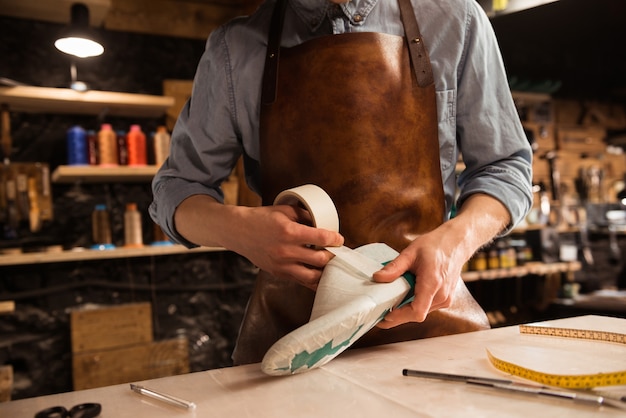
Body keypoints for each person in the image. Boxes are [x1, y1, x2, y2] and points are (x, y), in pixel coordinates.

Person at [150, 0, 533, 365]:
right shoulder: (234, 48)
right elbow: (175, 189)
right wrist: (241, 230)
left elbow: (506, 167)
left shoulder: (455, 18)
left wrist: (455, 242)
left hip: (427, 326)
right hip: (294, 345)